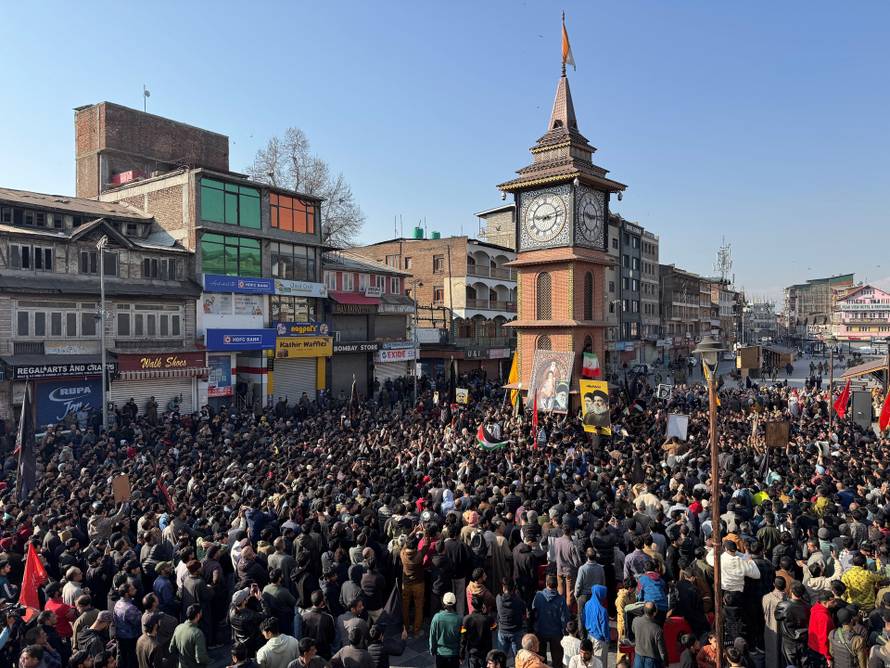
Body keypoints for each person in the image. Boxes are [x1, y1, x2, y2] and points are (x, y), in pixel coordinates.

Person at [532, 575, 571, 668]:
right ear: (557, 586)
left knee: (541, 658)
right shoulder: (561, 599)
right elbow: (564, 618)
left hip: (541, 631)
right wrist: (566, 633)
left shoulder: (539, 596)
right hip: (556, 633)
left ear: (546, 584)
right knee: (557, 659)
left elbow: (533, 611)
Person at [775, 582, 810, 668]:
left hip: (789, 641)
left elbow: (777, 616)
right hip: (803, 639)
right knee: (804, 663)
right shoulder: (808, 606)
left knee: (790, 665)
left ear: (791, 591)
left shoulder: (783, 605)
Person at [429, 593, 462, 668]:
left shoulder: (436, 617)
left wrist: (432, 650)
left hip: (440, 655)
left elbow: (432, 636)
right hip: (454, 655)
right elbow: (461, 638)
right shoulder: (459, 619)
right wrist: (461, 654)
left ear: (443, 603)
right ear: (454, 603)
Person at [495, 578, 526, 660]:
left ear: (503, 587)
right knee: (518, 658)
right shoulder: (518, 601)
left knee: (501, 658)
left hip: (502, 631)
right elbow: (524, 613)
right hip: (516, 632)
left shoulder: (498, 598)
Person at [631, 602, 668, 668]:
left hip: (638, 657)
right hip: (652, 661)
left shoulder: (635, 621)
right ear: (654, 613)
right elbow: (662, 652)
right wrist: (665, 664)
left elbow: (634, 632)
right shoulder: (657, 629)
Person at [461, 595, 494, 668]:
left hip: (473, 653)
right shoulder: (488, 619)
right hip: (485, 652)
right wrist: (485, 613)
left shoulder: (466, 619)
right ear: (483, 605)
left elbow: (463, 638)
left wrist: (461, 653)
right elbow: (494, 627)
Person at [582, 585, 609, 668]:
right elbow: (604, 628)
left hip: (589, 636)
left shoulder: (587, 604)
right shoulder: (602, 610)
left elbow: (583, 619)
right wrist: (607, 639)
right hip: (600, 640)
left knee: (591, 662)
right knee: (600, 663)